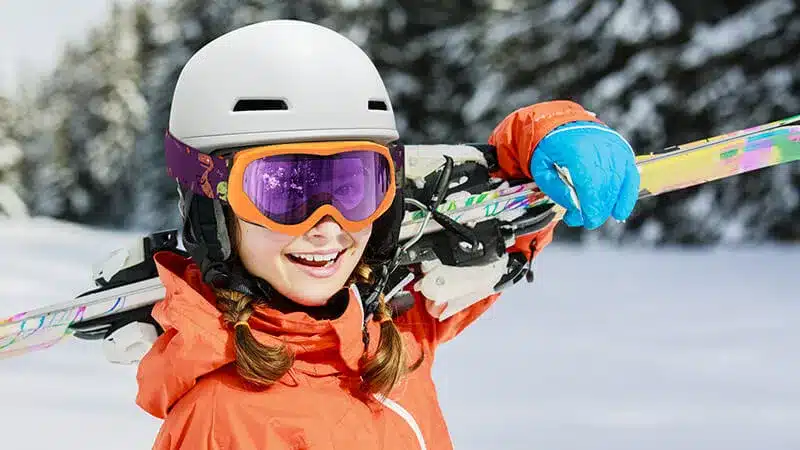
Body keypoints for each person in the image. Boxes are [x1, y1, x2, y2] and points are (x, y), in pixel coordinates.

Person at [135, 19, 639, 450]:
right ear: (210, 206)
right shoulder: (217, 421)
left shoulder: (388, 329)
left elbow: (500, 228)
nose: (327, 225)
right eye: (283, 191)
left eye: (355, 186)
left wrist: (549, 131)